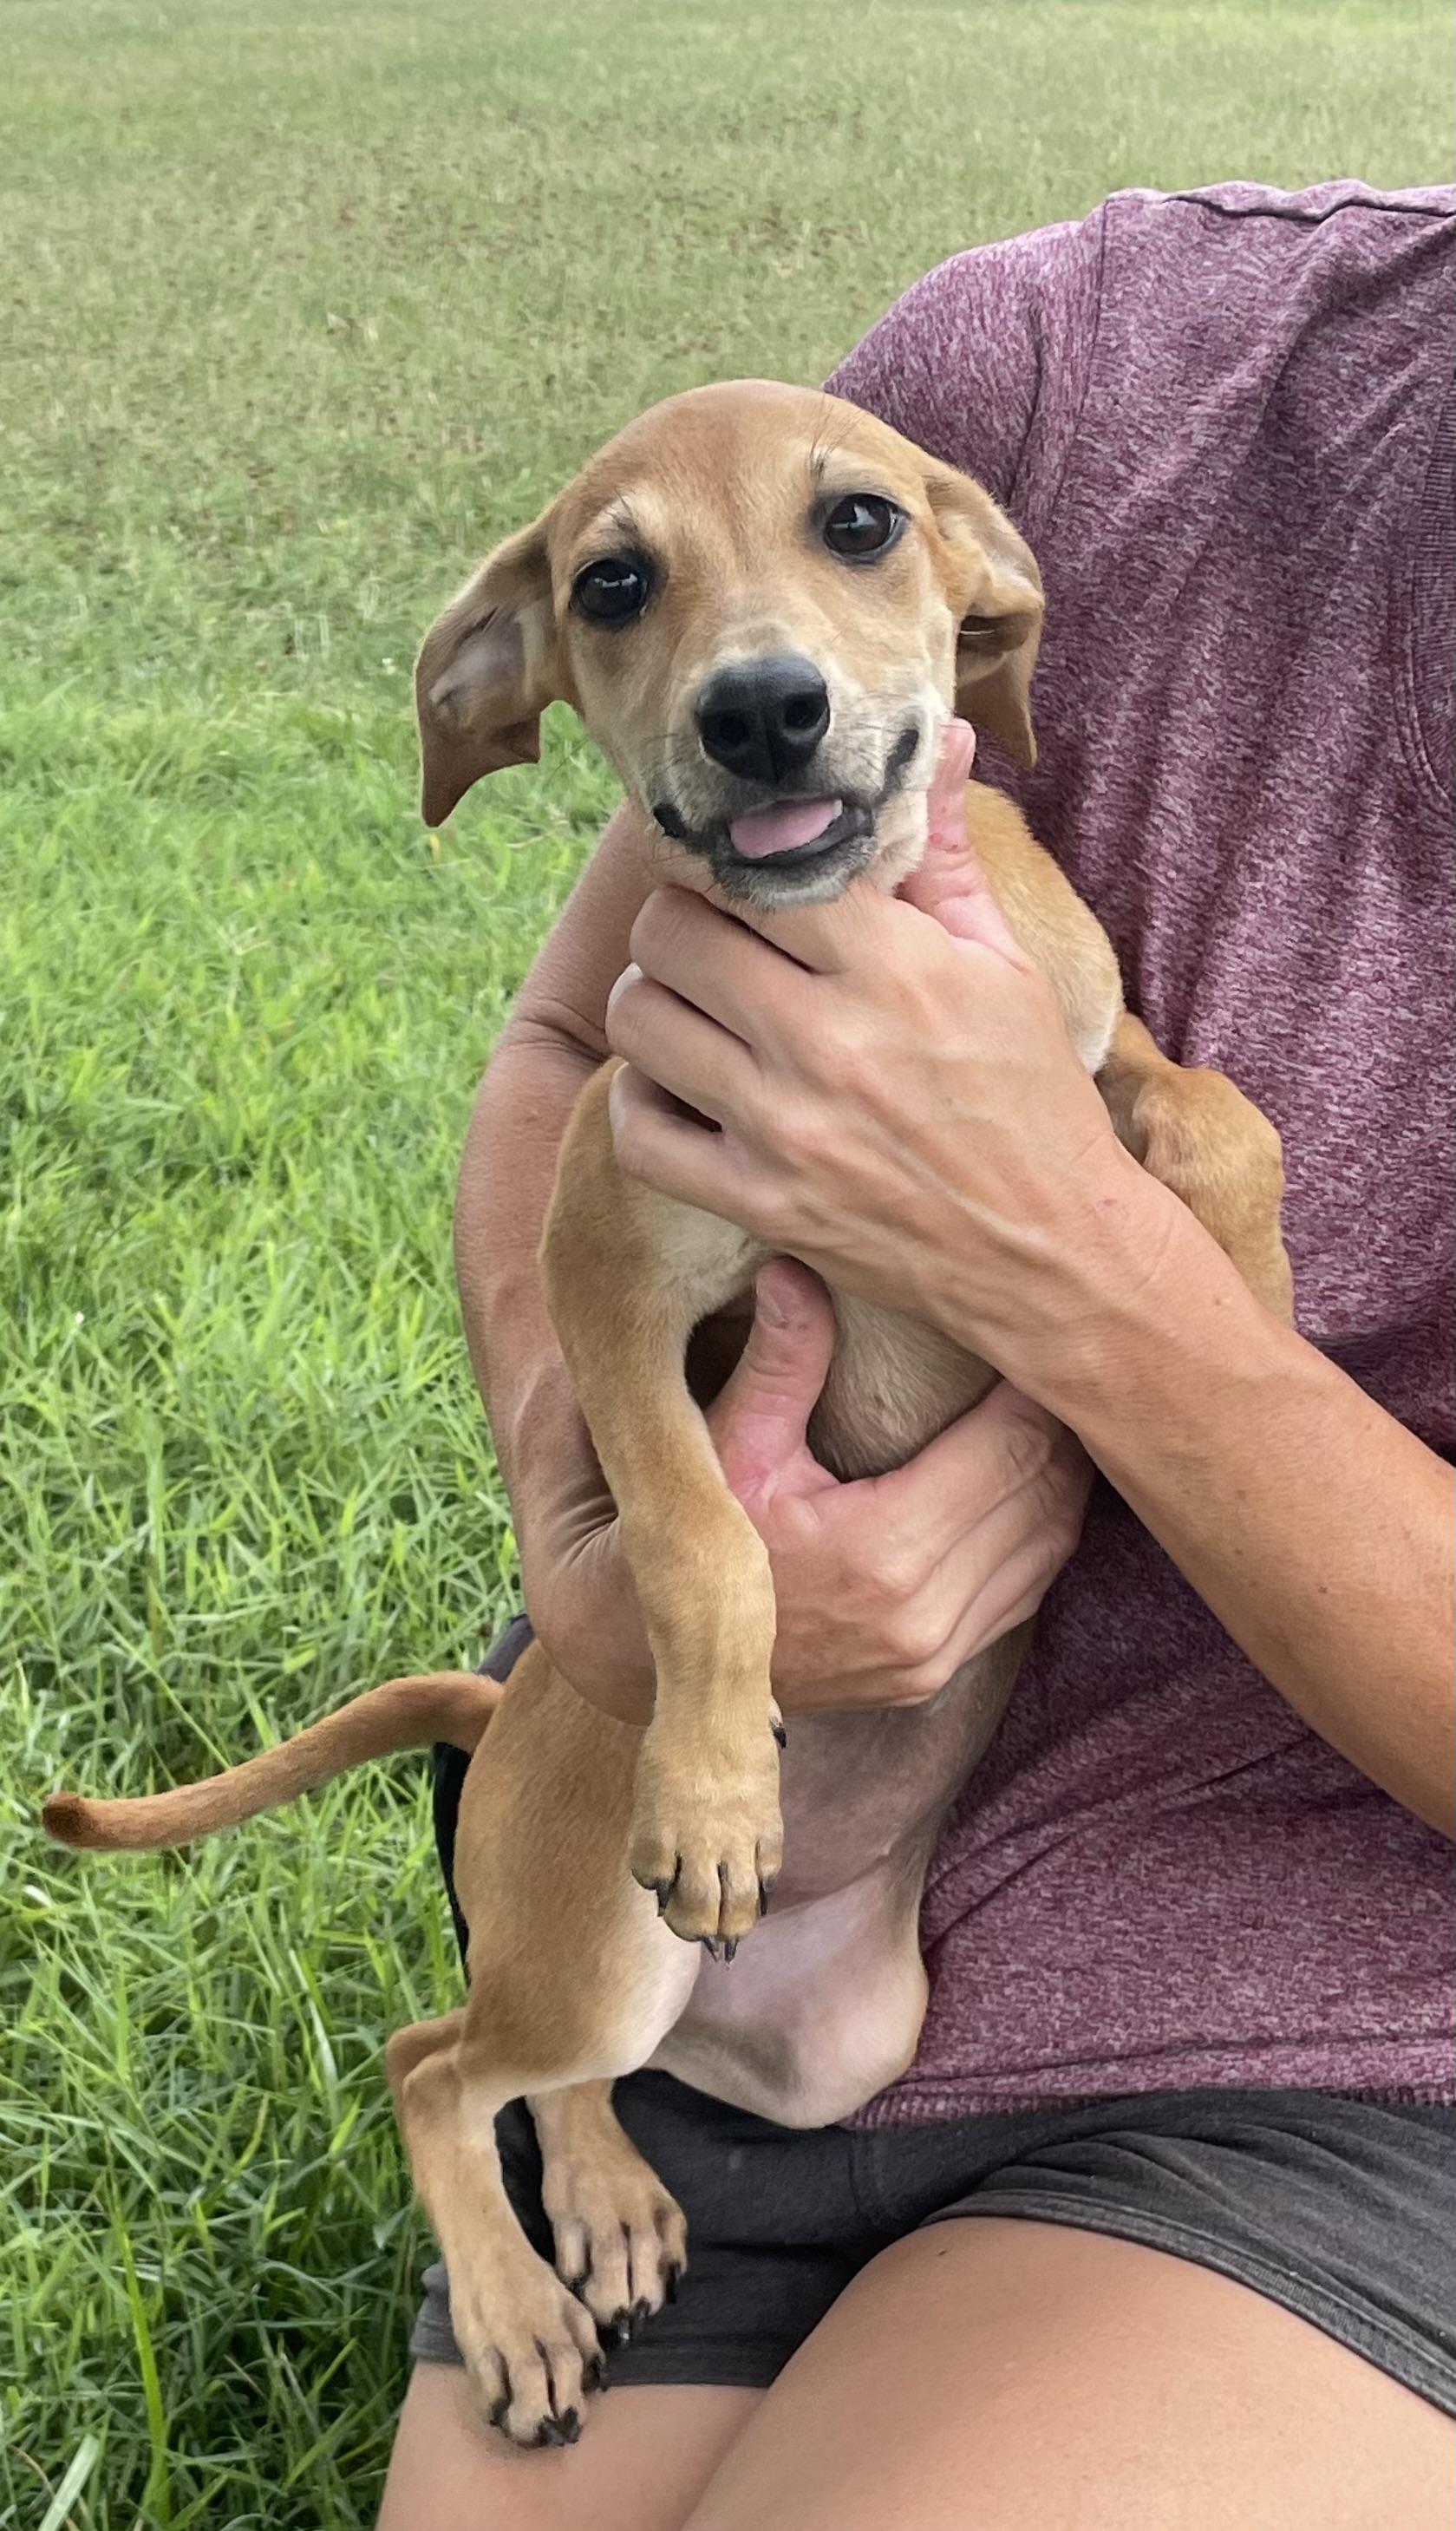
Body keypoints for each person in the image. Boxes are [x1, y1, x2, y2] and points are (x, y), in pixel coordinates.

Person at [377, 180, 1454, 2529]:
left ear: (959, 597)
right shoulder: (1065, 367)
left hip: (1327, 2009)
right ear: (515, 687)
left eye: (848, 545)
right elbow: (575, 1046)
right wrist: (618, 1537)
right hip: (734, 1863)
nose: (759, 653)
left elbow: (1134, 1162)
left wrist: (1085, 1253)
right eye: (630, 595)